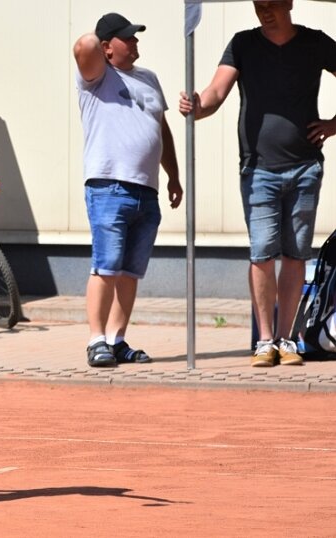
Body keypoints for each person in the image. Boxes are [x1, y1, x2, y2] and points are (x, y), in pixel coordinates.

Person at [179, 0, 336, 367]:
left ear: (290, 3)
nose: (264, 10)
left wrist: (333, 124)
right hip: (258, 169)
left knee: (295, 255)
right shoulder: (243, 44)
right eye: (258, 4)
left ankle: (287, 338)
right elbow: (216, 92)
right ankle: (265, 340)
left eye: (271, 3)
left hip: (305, 167)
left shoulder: (314, 43)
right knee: (262, 253)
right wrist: (198, 105)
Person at [73, 13, 183, 368]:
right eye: (126, 39)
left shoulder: (149, 79)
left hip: (146, 189)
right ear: (107, 48)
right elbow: (82, 47)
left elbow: (161, 131)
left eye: (135, 38)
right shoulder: (96, 77)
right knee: (106, 265)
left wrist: (173, 176)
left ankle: (117, 339)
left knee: (131, 270)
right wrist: (101, 40)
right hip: (109, 185)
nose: (135, 44)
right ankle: (95, 340)